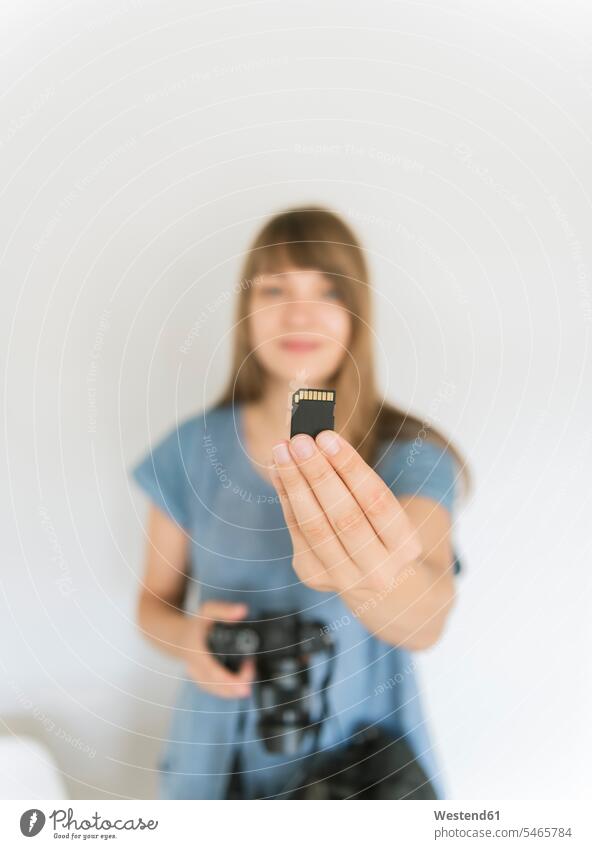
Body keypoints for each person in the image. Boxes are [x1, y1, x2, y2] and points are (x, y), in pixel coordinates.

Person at [129, 205, 467, 799]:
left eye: (327, 290)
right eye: (275, 288)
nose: (298, 313)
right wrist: (193, 639)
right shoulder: (188, 451)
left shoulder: (412, 456)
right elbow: (153, 605)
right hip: (212, 761)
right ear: (245, 311)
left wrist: (368, 577)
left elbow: (426, 618)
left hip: (362, 771)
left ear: (357, 314)